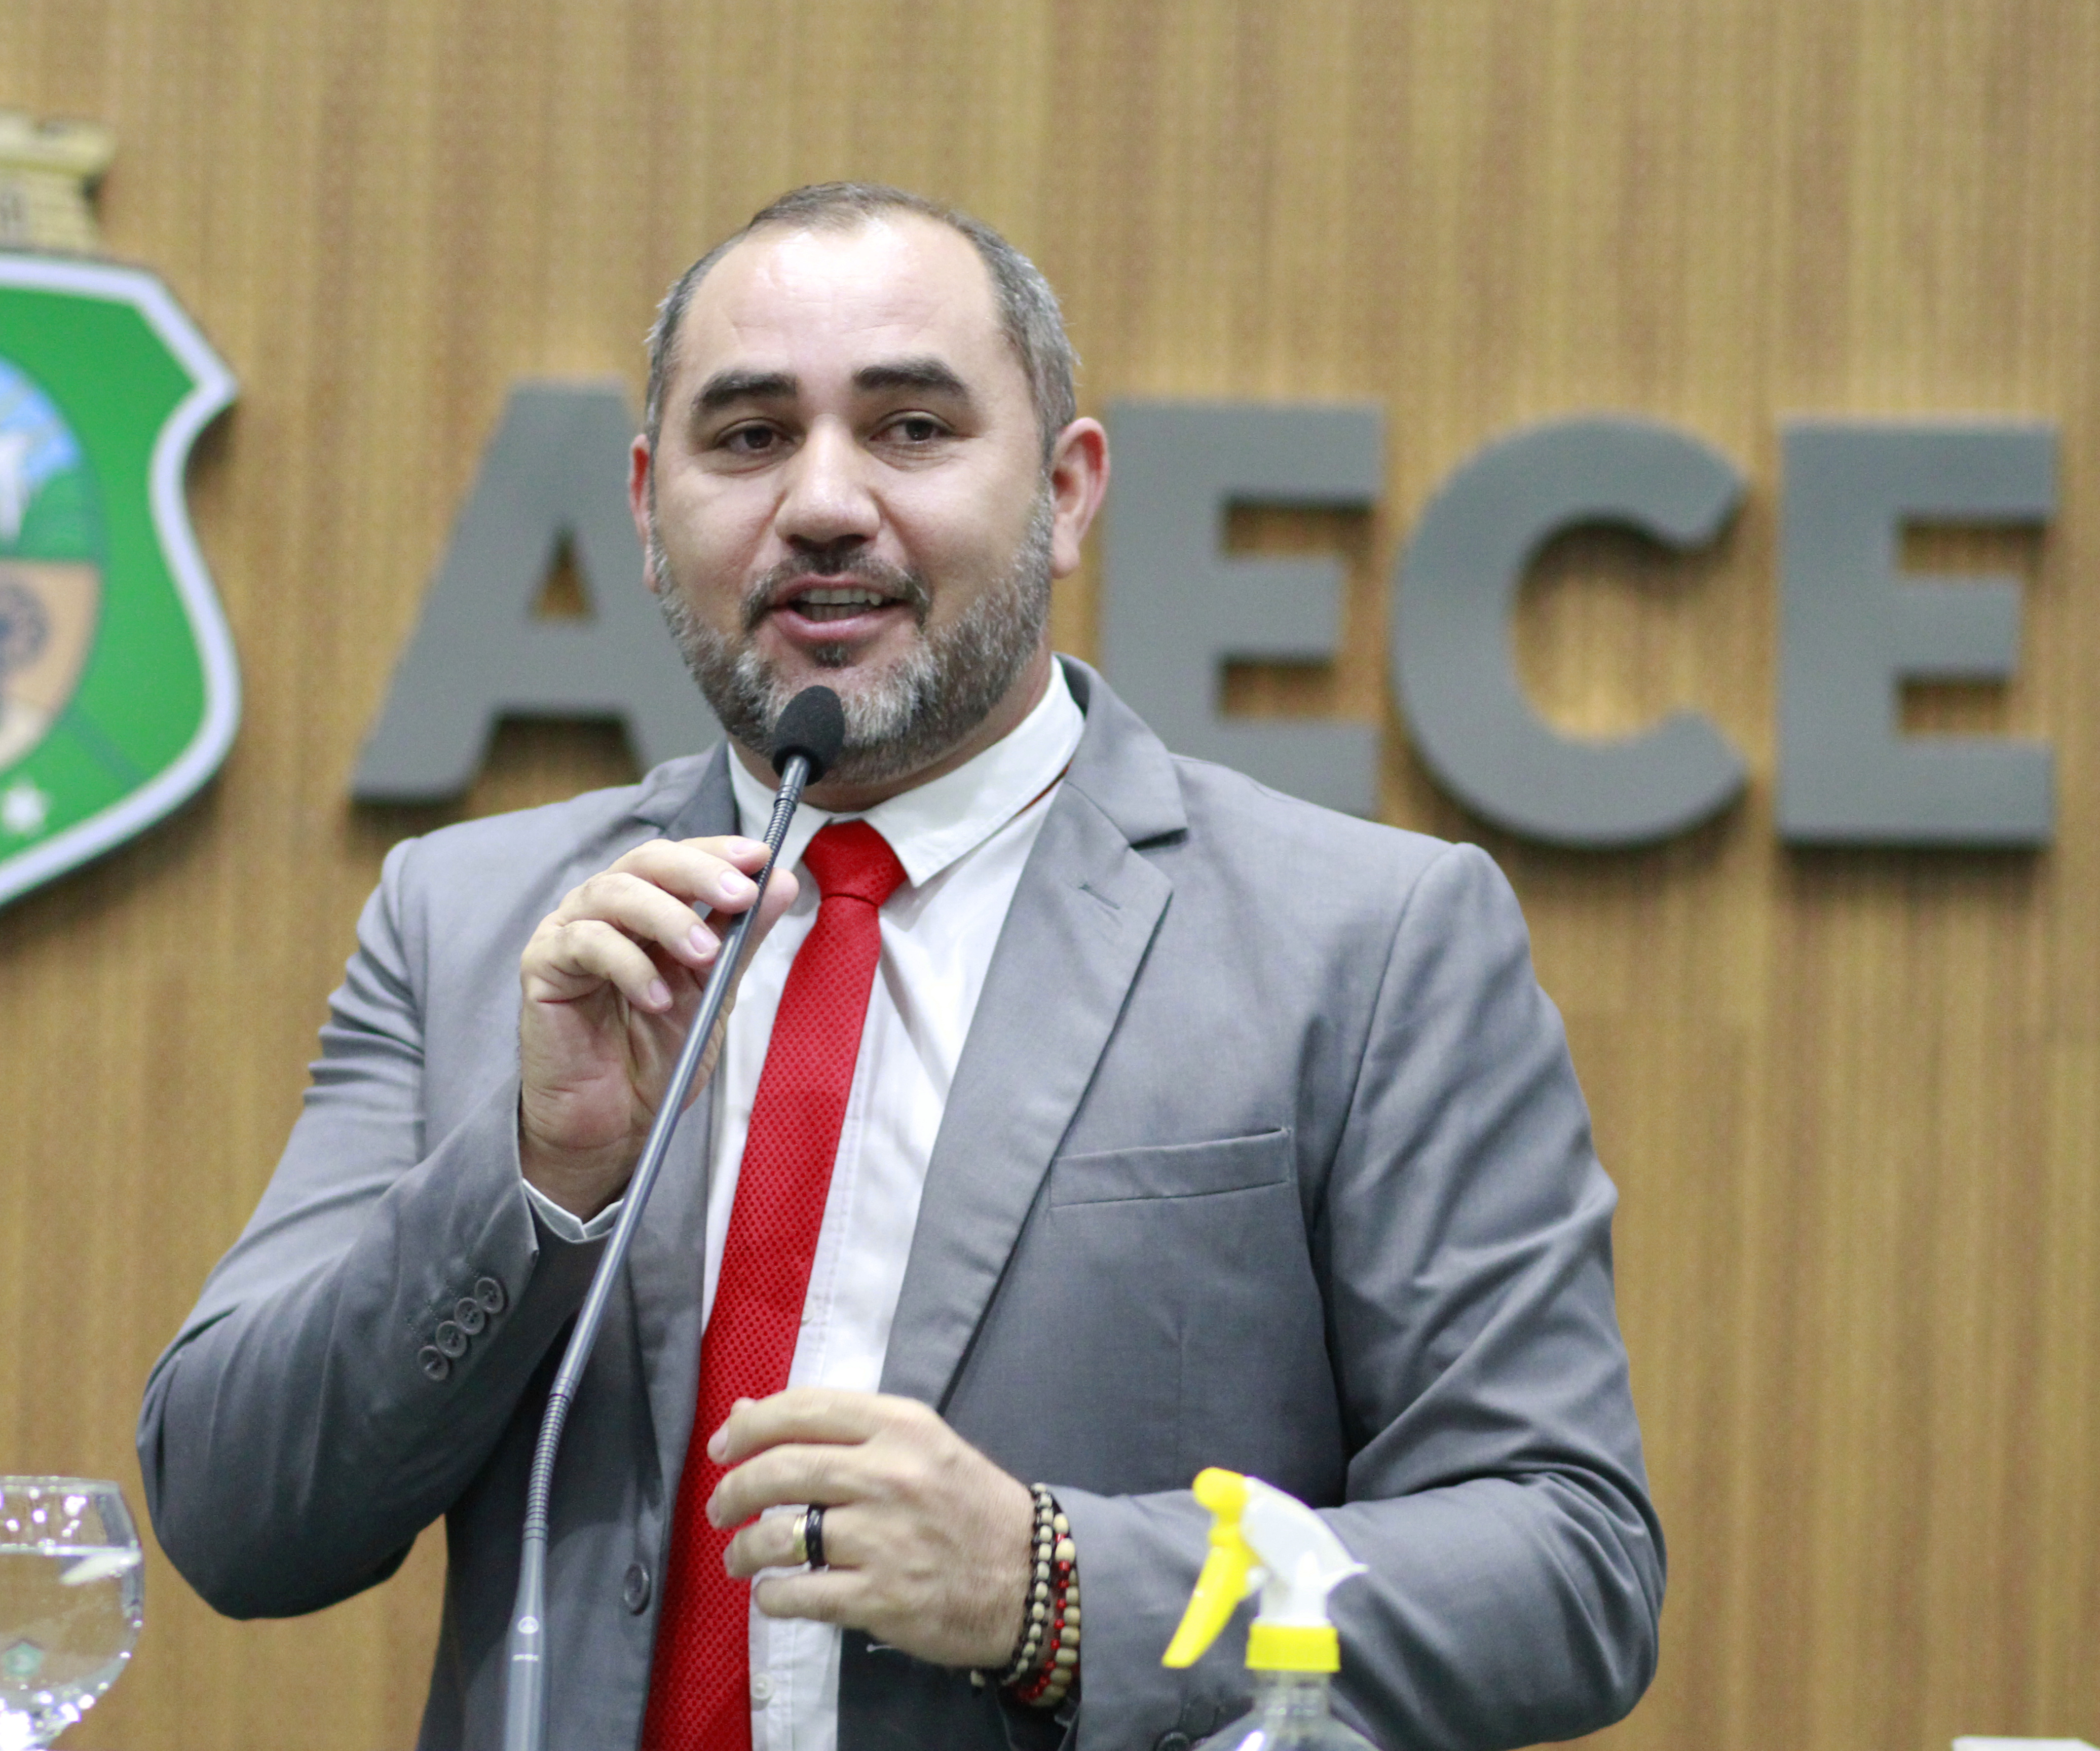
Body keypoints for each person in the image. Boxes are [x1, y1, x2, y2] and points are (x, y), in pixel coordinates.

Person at [138, 183, 1662, 1751]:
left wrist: (1060, 1589)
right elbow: (236, 1518)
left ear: (1066, 492)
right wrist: (536, 1176)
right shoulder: (475, 923)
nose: (822, 502)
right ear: (650, 510)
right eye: (748, 438)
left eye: (912, 429)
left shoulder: (1369, 939)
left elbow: (1566, 1567)